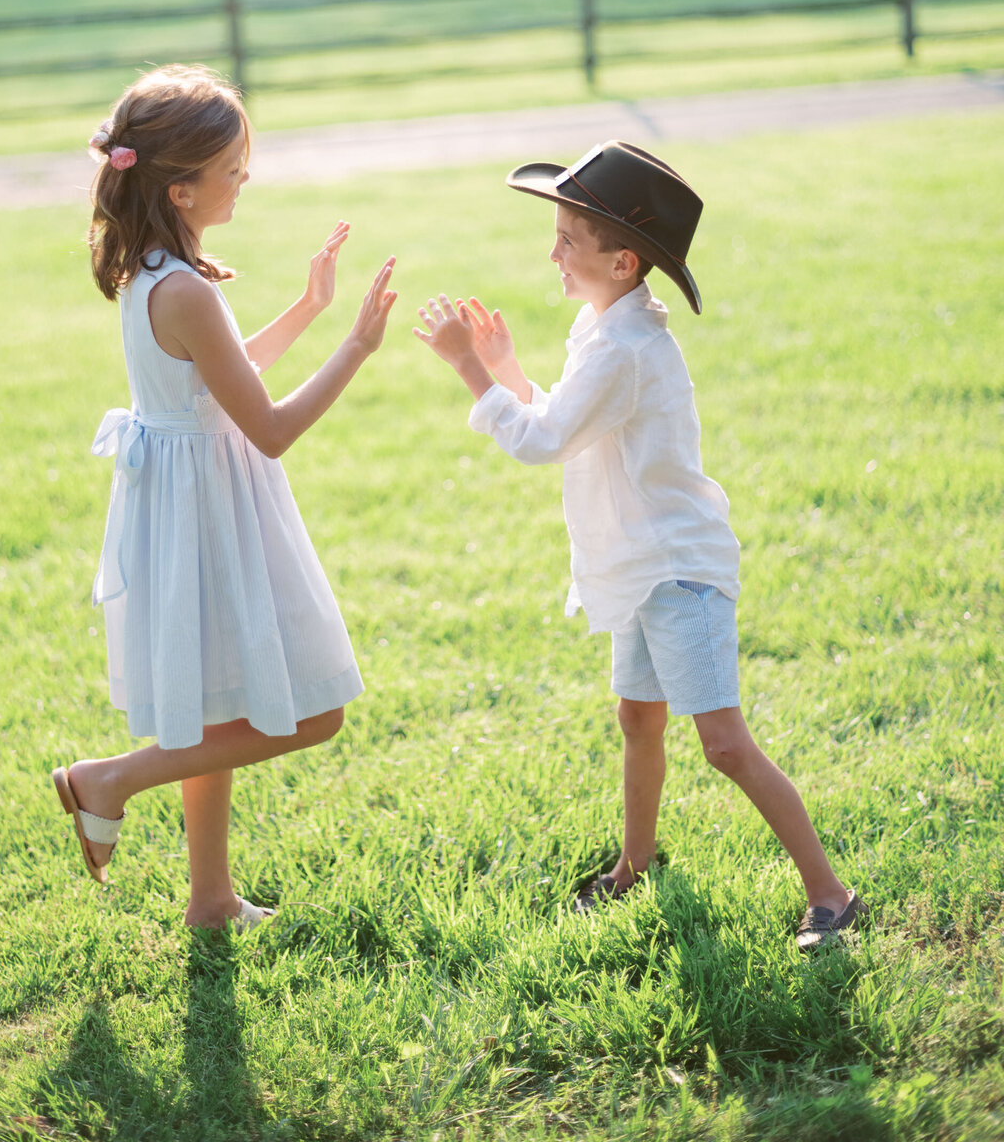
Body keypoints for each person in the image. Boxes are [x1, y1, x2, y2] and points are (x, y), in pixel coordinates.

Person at [413, 140, 865, 951]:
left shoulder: (624, 347)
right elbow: (569, 420)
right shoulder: (603, 329)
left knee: (723, 744)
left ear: (622, 261)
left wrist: (473, 375)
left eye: (567, 241)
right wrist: (512, 370)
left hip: (678, 569)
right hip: (638, 568)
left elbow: (544, 441)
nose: (552, 252)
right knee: (638, 717)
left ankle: (830, 892)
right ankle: (635, 862)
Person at [53, 65, 397, 931]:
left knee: (214, 706)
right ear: (181, 185)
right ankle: (111, 778)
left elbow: (216, 384)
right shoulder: (188, 291)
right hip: (212, 513)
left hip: (183, 508)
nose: (245, 181)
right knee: (318, 714)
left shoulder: (154, 273)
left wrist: (309, 309)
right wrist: (355, 345)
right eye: (234, 170)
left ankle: (211, 899)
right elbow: (269, 427)